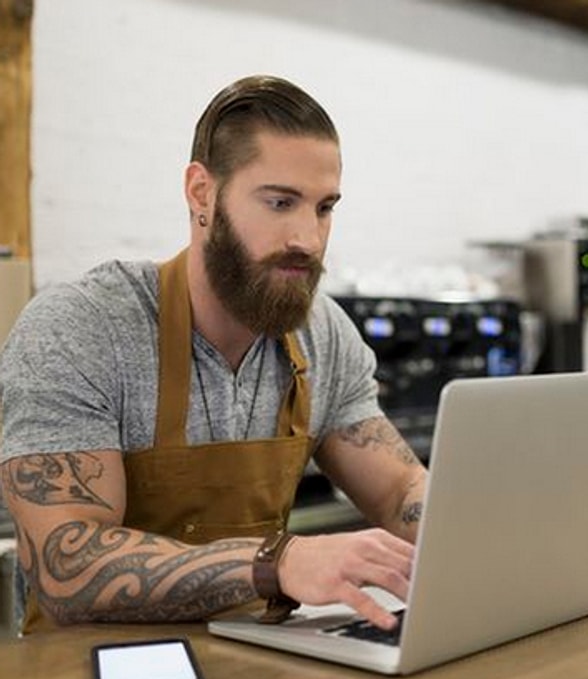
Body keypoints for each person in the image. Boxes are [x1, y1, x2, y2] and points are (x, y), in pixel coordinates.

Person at [0, 75, 426, 633]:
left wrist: (509, 537)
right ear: (202, 192)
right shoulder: (82, 329)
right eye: (279, 202)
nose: (309, 238)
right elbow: (65, 565)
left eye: (324, 208)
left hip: (255, 665)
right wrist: (278, 564)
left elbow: (399, 492)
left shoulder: (323, 334)